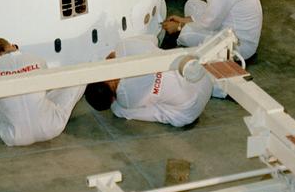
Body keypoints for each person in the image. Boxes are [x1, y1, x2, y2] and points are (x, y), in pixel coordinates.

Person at [83, 33, 211, 129]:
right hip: (202, 74)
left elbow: (120, 100)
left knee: (119, 110)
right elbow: (153, 39)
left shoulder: (126, 100)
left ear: (112, 99)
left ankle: (157, 98)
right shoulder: (124, 46)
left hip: (191, 110)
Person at [0, 38, 84, 147]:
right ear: (13, 46)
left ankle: (15, 123)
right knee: (80, 77)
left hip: (15, 137)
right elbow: (47, 87)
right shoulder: (36, 59)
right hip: (51, 126)